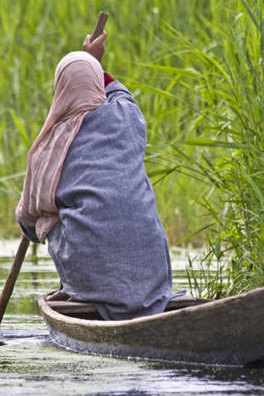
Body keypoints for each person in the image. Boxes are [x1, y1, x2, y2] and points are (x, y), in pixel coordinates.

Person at [15, 30, 173, 320]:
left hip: (89, 281)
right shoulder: (126, 117)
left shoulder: (47, 150)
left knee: (49, 218)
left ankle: (83, 289)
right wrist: (95, 63)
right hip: (153, 281)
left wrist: (43, 222)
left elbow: (27, 224)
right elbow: (120, 93)